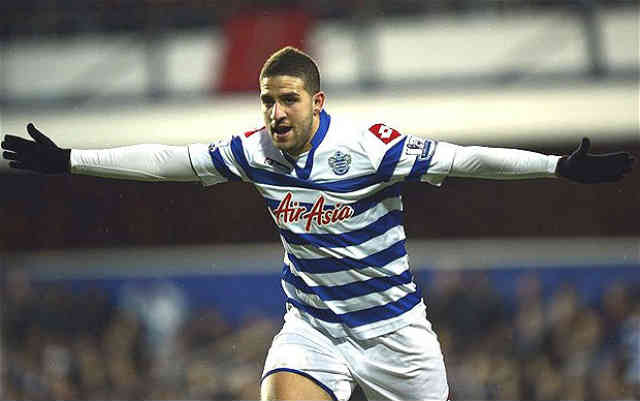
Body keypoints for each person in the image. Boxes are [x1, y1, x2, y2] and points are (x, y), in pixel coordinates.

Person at [1, 46, 634, 401]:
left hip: (395, 334)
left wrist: (556, 168)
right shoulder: (254, 151)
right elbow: (171, 161)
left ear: (316, 102)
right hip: (313, 328)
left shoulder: (369, 148)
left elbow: (464, 158)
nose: (275, 111)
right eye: (267, 100)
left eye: (288, 99)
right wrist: (69, 160)